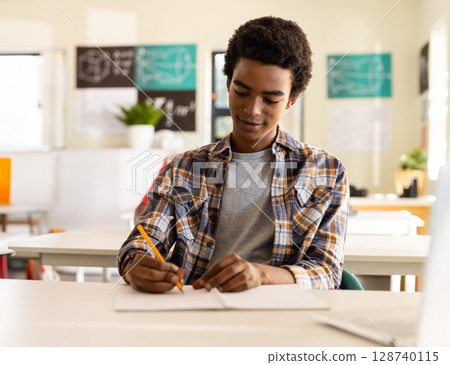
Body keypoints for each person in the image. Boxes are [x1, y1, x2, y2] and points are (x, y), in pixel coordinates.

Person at [117, 16, 349, 293]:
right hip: (196, 310)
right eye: (242, 92)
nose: (252, 109)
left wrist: (262, 275)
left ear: (292, 99)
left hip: (284, 318)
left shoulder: (327, 171)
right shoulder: (184, 167)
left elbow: (326, 271)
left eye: (271, 99)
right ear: (228, 83)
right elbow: (145, 238)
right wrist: (136, 262)